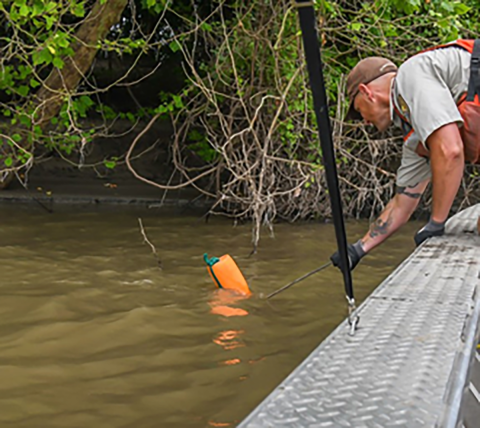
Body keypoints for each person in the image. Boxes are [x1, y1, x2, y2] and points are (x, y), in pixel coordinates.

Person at [331, 39, 480, 271]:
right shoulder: (416, 136)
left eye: (359, 111)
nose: (364, 121)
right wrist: (358, 250)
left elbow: (450, 151)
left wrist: (436, 224)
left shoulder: (411, 75)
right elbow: (403, 201)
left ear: (366, 92)